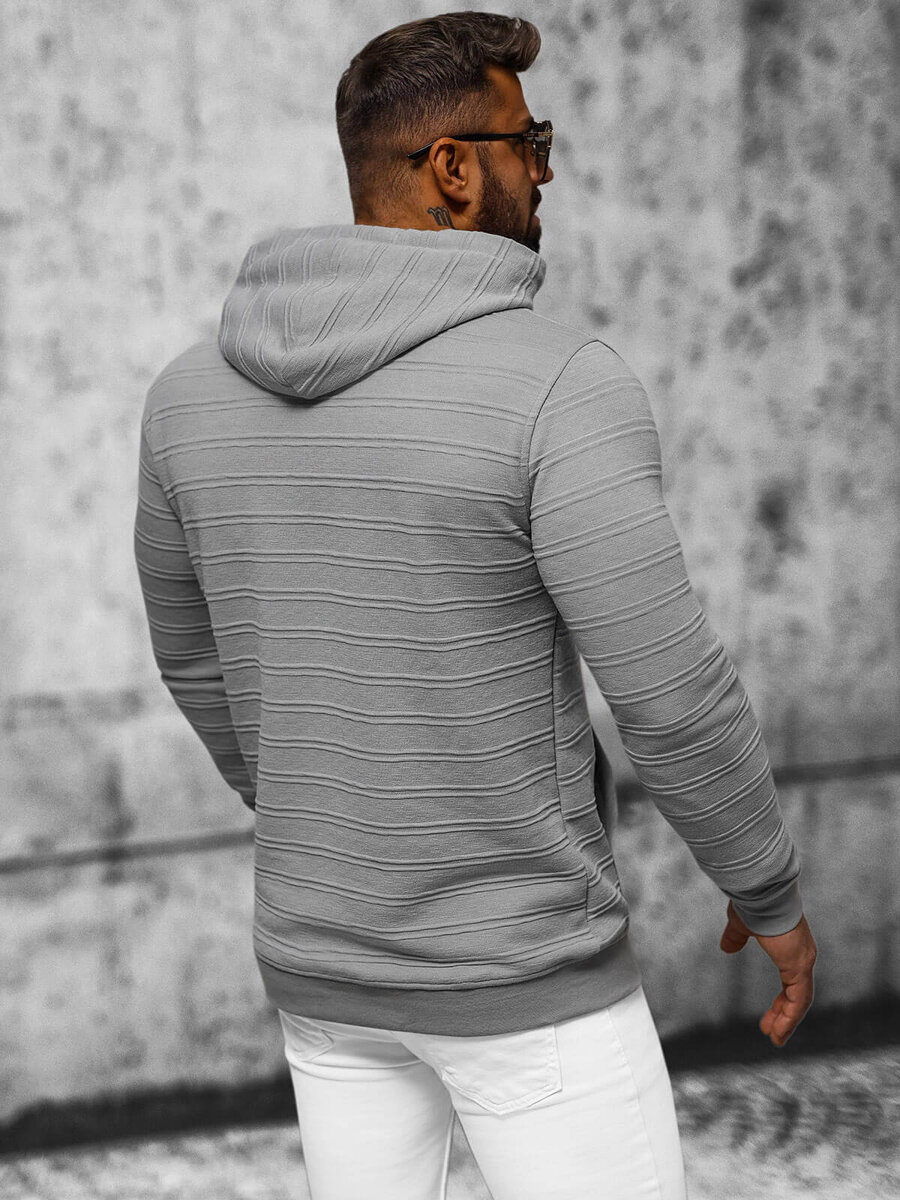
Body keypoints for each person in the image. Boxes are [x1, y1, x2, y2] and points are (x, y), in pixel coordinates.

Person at [132, 11, 817, 1199]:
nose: (545, 170)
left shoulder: (187, 398)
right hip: (527, 985)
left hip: (326, 982)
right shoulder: (558, 386)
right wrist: (765, 888)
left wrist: (325, 808)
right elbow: (670, 692)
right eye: (529, 141)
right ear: (453, 169)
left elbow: (191, 655)